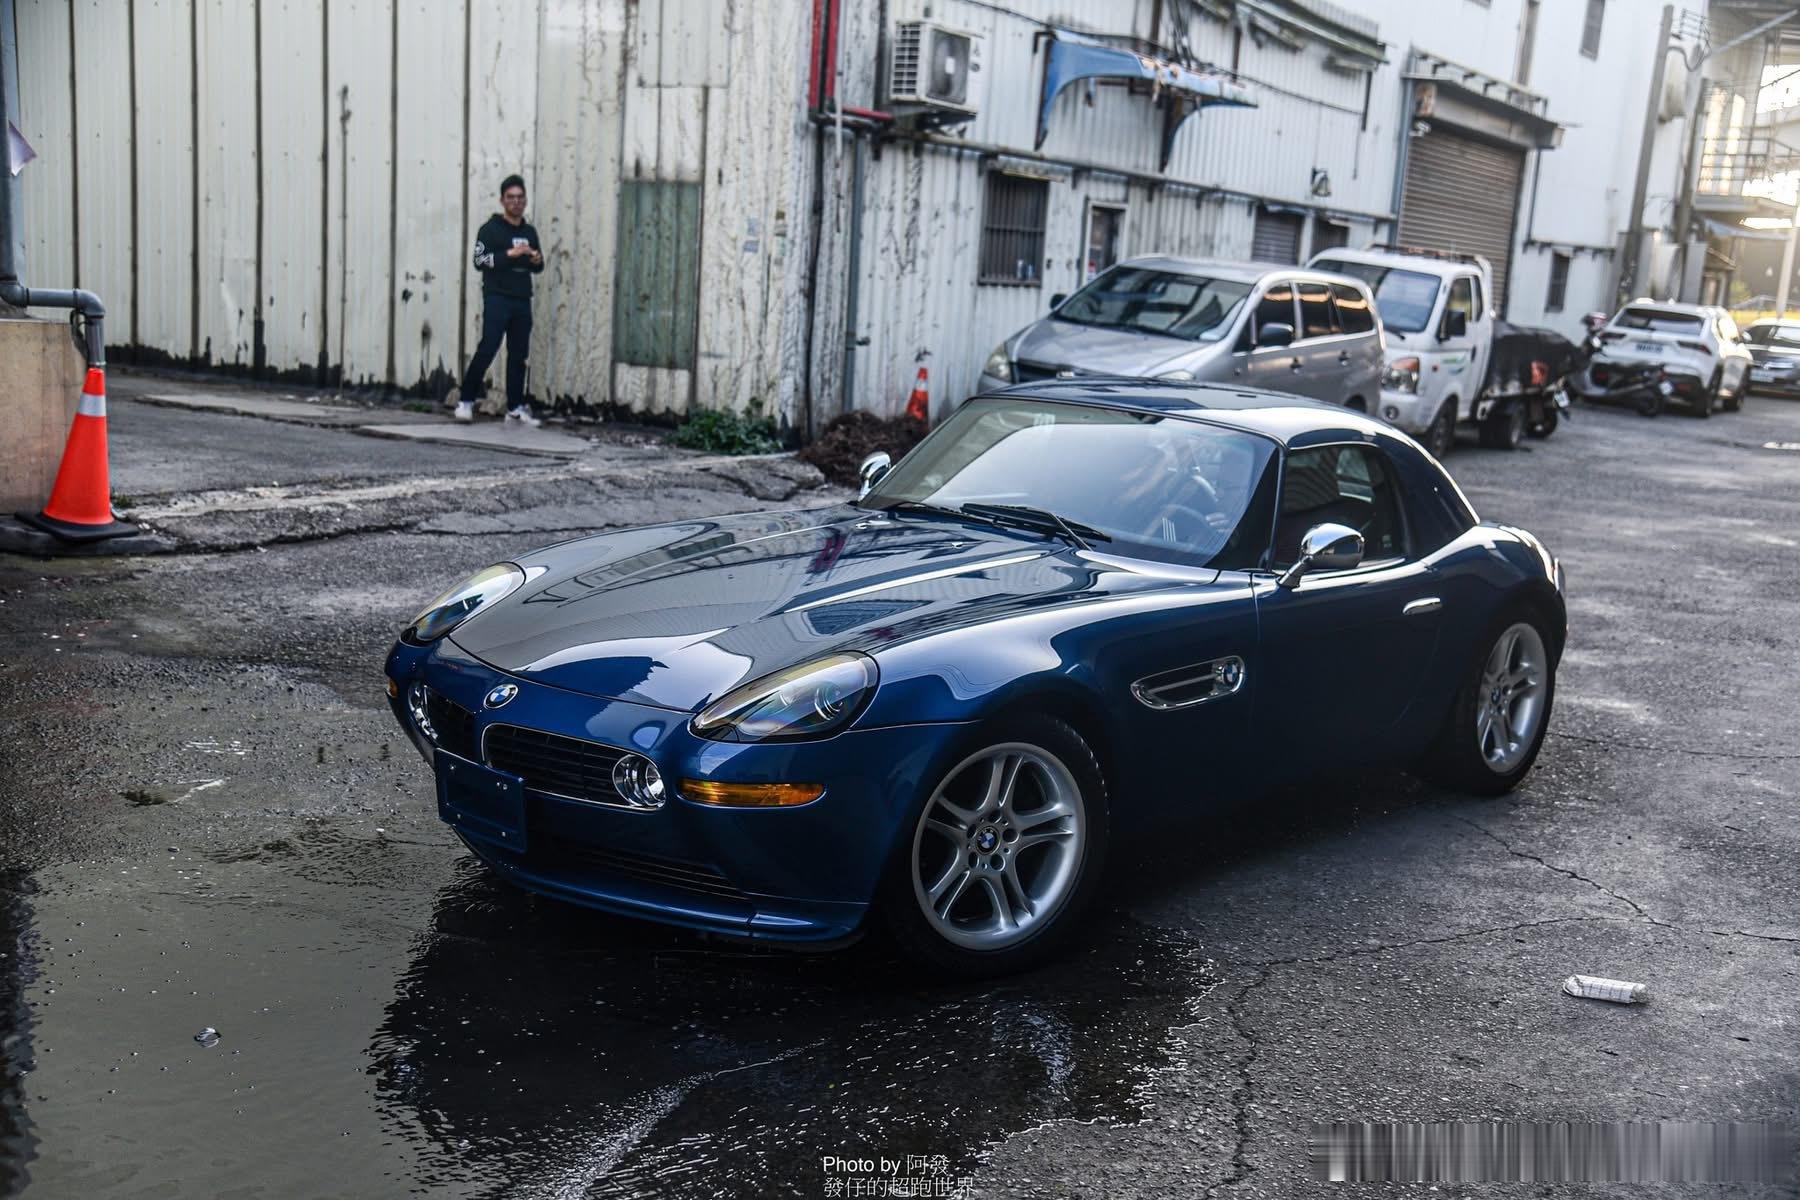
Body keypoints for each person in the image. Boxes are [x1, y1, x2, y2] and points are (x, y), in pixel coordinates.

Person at [454, 174, 544, 426]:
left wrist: (535, 260)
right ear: (502, 201)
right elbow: (479, 261)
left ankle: (515, 407)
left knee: (518, 354)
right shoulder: (489, 230)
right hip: (497, 298)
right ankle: (466, 401)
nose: (516, 202)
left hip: (522, 299)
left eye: (520, 198)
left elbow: (539, 266)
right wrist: (509, 254)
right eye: (511, 198)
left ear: (525, 200)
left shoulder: (529, 231)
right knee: (488, 348)